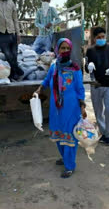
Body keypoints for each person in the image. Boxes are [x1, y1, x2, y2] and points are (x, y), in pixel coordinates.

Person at [35, 38, 86, 178]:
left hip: (71, 108)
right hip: (56, 109)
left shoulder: (75, 68)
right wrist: (39, 89)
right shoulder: (54, 67)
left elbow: (79, 88)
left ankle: (70, 166)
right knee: (58, 134)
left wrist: (82, 106)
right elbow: (46, 80)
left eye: (67, 48)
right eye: (62, 48)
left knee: (70, 135)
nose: (65, 51)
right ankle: (64, 158)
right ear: (57, 50)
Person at [85, 27, 109, 146]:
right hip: (96, 84)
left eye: (103, 37)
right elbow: (86, 67)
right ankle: (103, 133)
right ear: (94, 38)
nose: (101, 39)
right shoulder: (90, 50)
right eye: (98, 37)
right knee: (98, 111)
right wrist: (89, 66)